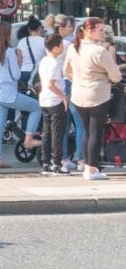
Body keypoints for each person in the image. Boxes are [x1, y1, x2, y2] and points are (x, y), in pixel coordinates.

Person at [64, 17, 123, 180]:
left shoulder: (73, 48)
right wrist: (105, 78)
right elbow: (116, 76)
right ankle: (91, 168)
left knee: (85, 130)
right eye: (100, 30)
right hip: (98, 94)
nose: (103, 33)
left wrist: (78, 79)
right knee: (96, 131)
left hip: (78, 93)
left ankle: (85, 163)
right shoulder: (99, 51)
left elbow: (67, 71)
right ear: (90, 31)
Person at [0, 21, 42, 169]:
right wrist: (18, 62)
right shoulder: (9, 52)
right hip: (9, 94)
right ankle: (28, 138)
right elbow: (16, 75)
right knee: (36, 107)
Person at [38, 33, 70, 175]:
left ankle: (46, 163)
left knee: (46, 132)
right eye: (61, 45)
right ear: (56, 48)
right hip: (55, 100)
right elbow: (51, 84)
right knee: (57, 133)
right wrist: (63, 97)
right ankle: (57, 164)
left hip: (44, 100)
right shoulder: (54, 63)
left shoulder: (44, 60)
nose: (63, 47)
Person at [55, 15, 83, 170]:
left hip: (58, 84)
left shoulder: (53, 42)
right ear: (61, 28)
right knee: (79, 123)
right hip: (69, 83)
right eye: (69, 27)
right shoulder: (67, 44)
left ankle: (64, 158)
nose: (71, 30)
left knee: (63, 124)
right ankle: (81, 159)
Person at [16, 16, 45, 89]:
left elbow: (19, 61)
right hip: (38, 73)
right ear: (39, 28)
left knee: (25, 96)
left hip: (24, 72)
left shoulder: (22, 42)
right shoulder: (44, 41)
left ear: (29, 29)